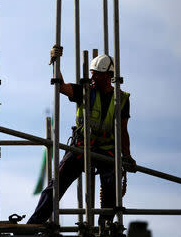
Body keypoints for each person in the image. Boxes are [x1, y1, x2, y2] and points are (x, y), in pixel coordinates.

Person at [26, 45, 136, 227]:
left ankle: (105, 226)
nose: (92, 77)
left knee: (112, 184)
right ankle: (33, 224)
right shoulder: (85, 90)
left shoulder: (121, 99)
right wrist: (55, 63)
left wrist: (127, 156)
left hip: (106, 151)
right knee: (56, 185)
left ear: (108, 76)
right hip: (81, 147)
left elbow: (122, 131)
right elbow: (61, 86)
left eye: (97, 74)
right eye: (92, 73)